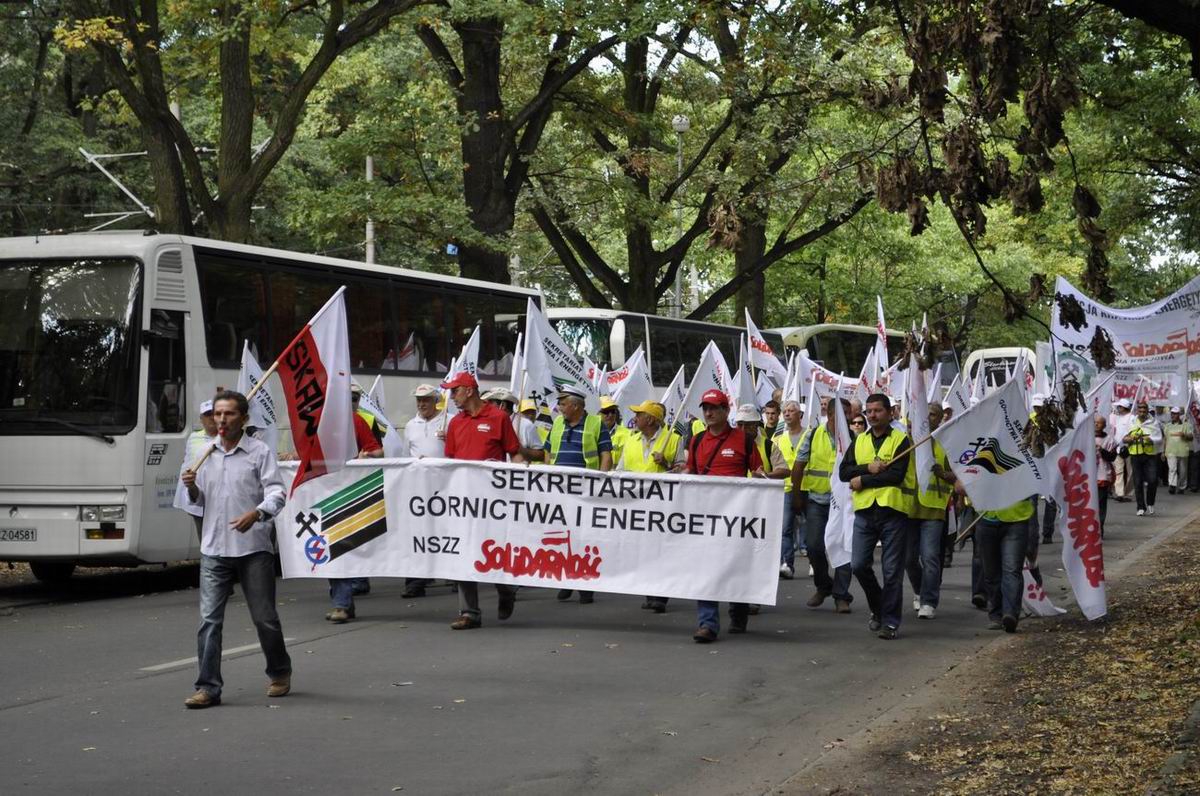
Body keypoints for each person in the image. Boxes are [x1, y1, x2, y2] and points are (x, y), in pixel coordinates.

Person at [179, 390, 289, 708]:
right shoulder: (205, 453)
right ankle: (207, 687)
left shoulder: (259, 452)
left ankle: (279, 671)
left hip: (253, 548)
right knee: (209, 621)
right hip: (214, 548)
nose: (221, 420)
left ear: (243, 418)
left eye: (228, 414)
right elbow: (199, 501)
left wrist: (257, 513)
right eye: (217, 414)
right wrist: (192, 487)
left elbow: (277, 493)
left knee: (264, 618)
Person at [441, 372, 524, 629]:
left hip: (493, 502)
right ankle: (469, 612)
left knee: (493, 551)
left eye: (454, 391)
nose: (451, 397)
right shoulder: (455, 423)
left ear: (469, 390)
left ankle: (506, 589)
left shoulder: (498, 418)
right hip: (463, 501)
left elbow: (514, 453)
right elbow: (449, 462)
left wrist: (523, 480)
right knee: (463, 552)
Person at [689, 389, 764, 643]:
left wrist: (763, 478)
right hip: (705, 516)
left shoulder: (744, 440)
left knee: (735, 567)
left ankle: (738, 611)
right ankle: (707, 623)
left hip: (736, 517)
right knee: (705, 568)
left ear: (726, 411)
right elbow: (691, 473)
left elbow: (758, 472)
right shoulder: (697, 440)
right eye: (705, 408)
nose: (709, 413)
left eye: (714, 408)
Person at [529, 384, 613, 603]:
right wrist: (548, 477)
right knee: (561, 537)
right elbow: (548, 452)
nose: (559, 407)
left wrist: (600, 484)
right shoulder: (557, 423)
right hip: (560, 491)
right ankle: (566, 581)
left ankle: (585, 585)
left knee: (583, 539)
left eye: (563, 403)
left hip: (585, 491)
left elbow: (606, 455)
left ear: (576, 406)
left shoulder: (596, 423)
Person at [840, 393, 913, 640]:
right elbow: (844, 472)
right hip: (865, 512)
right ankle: (879, 607)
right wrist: (866, 469)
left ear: (890, 412)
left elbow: (896, 475)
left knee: (892, 571)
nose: (872, 415)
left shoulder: (901, 440)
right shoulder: (860, 440)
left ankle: (890, 622)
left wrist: (863, 480)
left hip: (893, 512)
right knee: (859, 565)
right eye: (869, 411)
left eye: (877, 410)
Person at [616, 400, 685, 613]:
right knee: (644, 550)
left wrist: (666, 464)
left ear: (651, 419)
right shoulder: (631, 440)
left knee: (661, 550)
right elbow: (621, 470)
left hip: (663, 505)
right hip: (636, 504)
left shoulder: (673, 439)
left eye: (639, 414)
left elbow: (683, 471)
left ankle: (660, 595)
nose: (635, 418)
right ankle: (649, 591)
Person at [791, 397, 853, 613]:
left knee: (843, 549)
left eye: (850, 413)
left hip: (845, 506)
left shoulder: (855, 438)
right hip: (817, 501)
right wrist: (797, 496)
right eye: (844, 413)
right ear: (831, 414)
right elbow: (798, 466)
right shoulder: (813, 434)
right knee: (814, 546)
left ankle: (841, 596)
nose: (848, 418)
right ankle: (823, 585)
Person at [325, 402, 384, 623]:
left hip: (350, 492)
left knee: (339, 544)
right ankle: (343, 603)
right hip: (323, 491)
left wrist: (365, 456)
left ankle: (341, 603)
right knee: (330, 546)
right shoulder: (314, 423)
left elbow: (378, 451)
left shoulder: (354, 421)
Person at [908, 403, 953, 620]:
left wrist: (943, 474)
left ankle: (928, 601)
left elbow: (958, 475)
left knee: (930, 557)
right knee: (908, 559)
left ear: (940, 418)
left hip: (934, 509)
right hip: (909, 509)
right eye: (924, 414)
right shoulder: (908, 441)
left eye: (932, 415)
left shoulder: (947, 443)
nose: (928, 418)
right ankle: (919, 589)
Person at [399, 383, 445, 598]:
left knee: (445, 531)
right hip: (418, 488)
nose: (421, 404)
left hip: (444, 486)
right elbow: (405, 456)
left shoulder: (448, 421)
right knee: (417, 533)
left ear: (435, 401)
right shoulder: (410, 425)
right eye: (419, 400)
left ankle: (454, 576)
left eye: (426, 399)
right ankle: (415, 582)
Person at [976, 496, 1033, 633]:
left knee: (1011, 568)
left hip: (1016, 519)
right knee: (991, 572)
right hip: (986, 519)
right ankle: (996, 614)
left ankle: (1010, 613)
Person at [770, 400, 805, 579]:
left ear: (800, 414)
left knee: (811, 529)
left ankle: (815, 563)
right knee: (785, 529)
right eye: (785, 411)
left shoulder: (810, 435)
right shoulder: (777, 439)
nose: (787, 414)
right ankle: (787, 564)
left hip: (807, 486)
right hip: (786, 488)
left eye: (791, 411)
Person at [173, 399, 218, 540]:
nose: (212, 417)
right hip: (198, 497)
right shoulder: (193, 437)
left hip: (219, 496)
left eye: (215, 413)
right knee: (205, 539)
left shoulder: (228, 438)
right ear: (201, 418)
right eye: (208, 414)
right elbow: (186, 464)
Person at [1124, 400, 1163, 516]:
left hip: (1150, 455)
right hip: (1135, 454)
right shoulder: (1131, 421)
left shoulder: (1153, 422)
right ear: (1137, 411)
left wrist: (1151, 439)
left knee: (1152, 480)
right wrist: (1129, 439)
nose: (1142, 412)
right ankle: (1140, 507)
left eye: (1144, 410)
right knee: (1138, 481)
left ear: (1147, 411)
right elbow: (1124, 437)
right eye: (1140, 410)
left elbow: (1159, 438)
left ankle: (1150, 503)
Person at [1095, 414, 1117, 536]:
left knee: (1100, 503)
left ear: (1104, 425)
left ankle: (1099, 528)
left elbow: (1112, 457)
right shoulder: (1085, 438)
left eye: (1099, 423)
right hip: (1088, 477)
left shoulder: (1109, 440)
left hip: (1102, 475)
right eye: (1095, 422)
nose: (1096, 424)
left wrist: (1101, 450)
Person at [1163, 406, 1192, 495]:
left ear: (1179, 415)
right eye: (1172, 413)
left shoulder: (1186, 425)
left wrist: (1184, 435)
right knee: (1172, 469)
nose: (1173, 415)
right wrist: (1163, 452)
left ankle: (1182, 486)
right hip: (1170, 451)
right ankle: (1172, 485)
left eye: (1175, 413)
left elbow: (1191, 437)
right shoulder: (1167, 426)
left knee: (1183, 471)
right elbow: (1165, 439)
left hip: (1182, 452)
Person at [1110, 398, 1134, 501]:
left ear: (1124, 407)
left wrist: (1128, 440)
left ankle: (1129, 493)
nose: (1117, 408)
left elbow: (1133, 432)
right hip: (1118, 448)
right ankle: (1119, 493)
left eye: (1119, 406)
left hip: (1129, 448)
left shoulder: (1132, 418)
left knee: (1130, 471)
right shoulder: (1117, 418)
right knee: (1118, 470)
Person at [599, 397, 632, 468]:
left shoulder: (628, 434)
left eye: (613, 411)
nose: (610, 415)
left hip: (617, 474)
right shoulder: (590, 433)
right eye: (606, 411)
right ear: (597, 413)